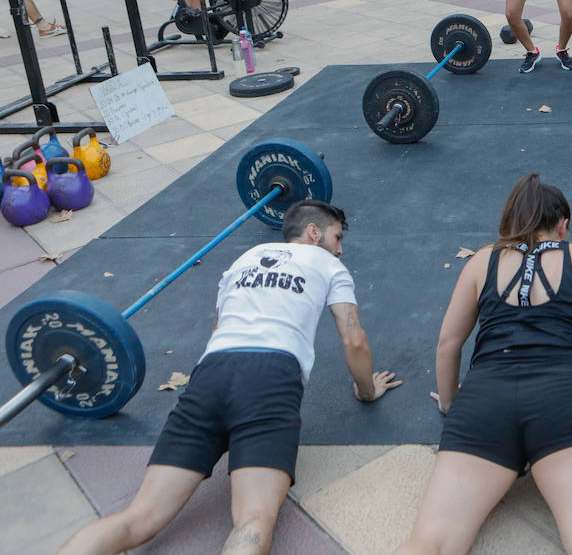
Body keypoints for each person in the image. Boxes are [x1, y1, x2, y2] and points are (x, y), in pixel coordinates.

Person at [58, 199, 400, 555]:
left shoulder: (243, 261)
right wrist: (365, 391)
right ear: (314, 232)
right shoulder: (327, 263)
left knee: (139, 519)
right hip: (271, 377)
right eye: (337, 237)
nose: (340, 249)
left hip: (210, 373)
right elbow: (353, 337)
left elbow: (218, 329)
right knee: (253, 519)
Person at [392, 174, 572, 555]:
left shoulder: (481, 261)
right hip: (566, 400)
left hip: (486, 400)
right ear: (563, 225)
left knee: (430, 541)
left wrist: (450, 403)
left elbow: (448, 343)